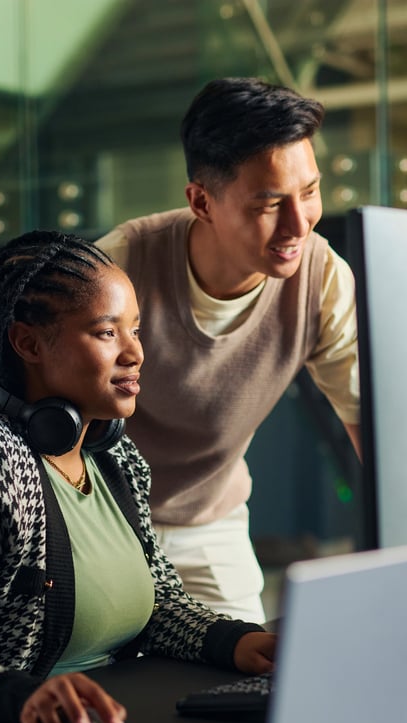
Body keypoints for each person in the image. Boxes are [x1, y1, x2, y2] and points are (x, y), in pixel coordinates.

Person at [0, 230, 276, 723]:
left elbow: (159, 605)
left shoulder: (114, 457)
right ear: (28, 344)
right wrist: (21, 697)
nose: (136, 352)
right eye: (106, 333)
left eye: (135, 330)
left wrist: (242, 643)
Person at [91, 77, 361, 623]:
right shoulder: (119, 266)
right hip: (99, 522)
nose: (298, 224)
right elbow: (31, 401)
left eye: (309, 192)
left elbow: (372, 428)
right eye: (269, 202)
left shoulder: (322, 278)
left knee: (248, 687)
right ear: (201, 201)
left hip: (209, 523)